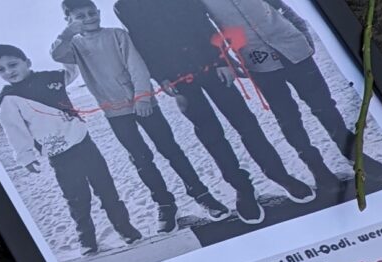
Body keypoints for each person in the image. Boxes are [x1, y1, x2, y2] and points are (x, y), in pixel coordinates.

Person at [116, 0, 318, 223]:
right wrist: (161, 77)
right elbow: (143, 44)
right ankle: (242, 188)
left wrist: (222, 60)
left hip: (212, 66)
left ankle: (279, 175)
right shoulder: (124, 6)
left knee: (247, 124)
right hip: (179, 80)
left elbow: (203, 23)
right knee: (211, 135)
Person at [51, 0, 228, 231]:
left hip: (144, 104)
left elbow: (136, 65)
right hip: (115, 112)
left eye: (91, 13)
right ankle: (165, 205)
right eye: (80, 16)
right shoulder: (74, 46)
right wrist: (67, 32)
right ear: (69, 21)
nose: (88, 18)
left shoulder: (117, 34)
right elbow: (56, 54)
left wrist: (143, 97)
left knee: (171, 150)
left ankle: (202, 194)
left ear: (98, 13)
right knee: (141, 159)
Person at [198, 0, 382, 196]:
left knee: (324, 105)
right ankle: (316, 167)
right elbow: (206, 29)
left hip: (291, 44)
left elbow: (280, 4)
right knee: (288, 117)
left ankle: (352, 152)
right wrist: (226, 60)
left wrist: (301, 29)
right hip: (257, 60)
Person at [0, 46, 144, 257]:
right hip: (58, 154)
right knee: (77, 199)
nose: (8, 71)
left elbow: (71, 70)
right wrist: (26, 156)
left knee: (106, 189)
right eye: (1, 69)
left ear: (27, 62)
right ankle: (87, 241)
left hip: (83, 142)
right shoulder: (8, 98)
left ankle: (125, 229)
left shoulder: (52, 77)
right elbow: (15, 130)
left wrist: (66, 45)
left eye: (13, 64)